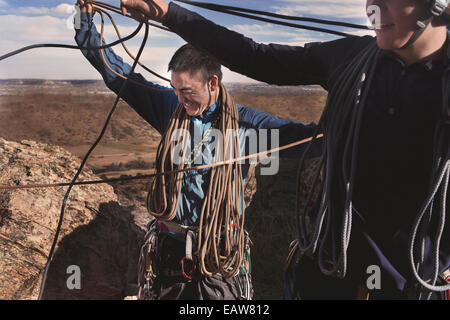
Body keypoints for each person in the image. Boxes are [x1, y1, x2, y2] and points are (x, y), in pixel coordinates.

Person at [118, 0, 450, 299]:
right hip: (329, 265)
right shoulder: (351, 59)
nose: (373, 10)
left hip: (412, 278)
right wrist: (170, 13)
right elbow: (256, 56)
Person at [75, 0, 320, 300]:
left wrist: (358, 111)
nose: (180, 100)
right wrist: (83, 26)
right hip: (169, 250)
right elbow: (119, 75)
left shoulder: (248, 127)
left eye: (187, 92)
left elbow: (308, 140)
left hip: (219, 253)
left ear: (213, 83)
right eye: (175, 90)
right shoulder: (169, 108)